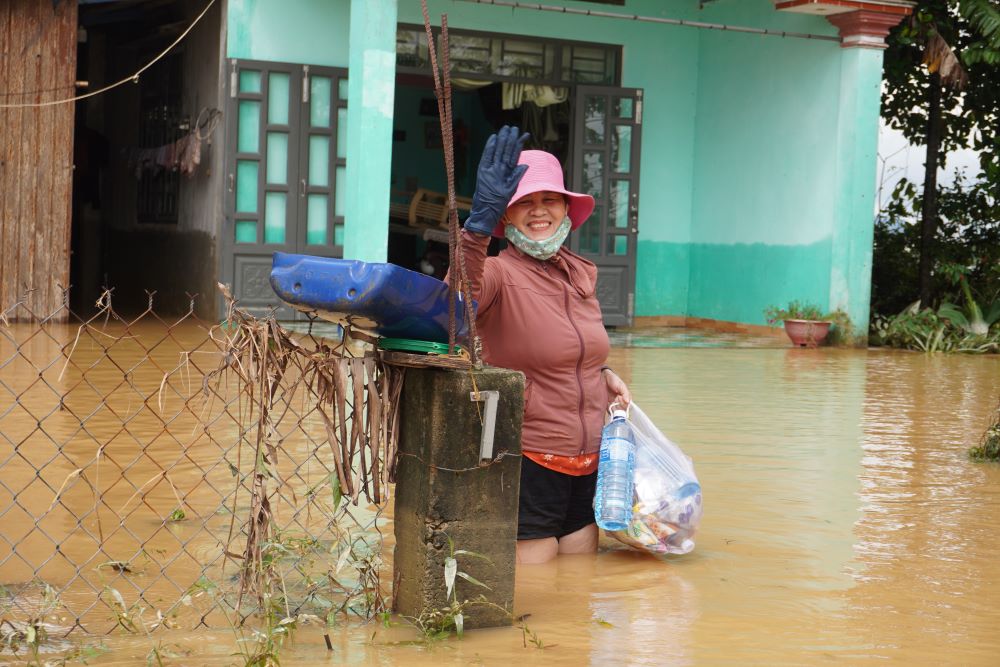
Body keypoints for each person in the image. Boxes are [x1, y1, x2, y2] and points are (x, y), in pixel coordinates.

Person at [452, 125, 631, 564]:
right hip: (529, 460)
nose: (539, 212)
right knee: (538, 595)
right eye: (524, 203)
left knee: (577, 594)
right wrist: (474, 230)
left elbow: (576, 351)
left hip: (590, 461)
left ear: (567, 209)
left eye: (549, 200)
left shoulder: (579, 275)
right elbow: (454, 307)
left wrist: (602, 374)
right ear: (506, 215)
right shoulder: (497, 273)